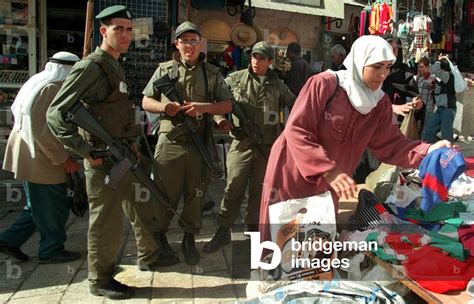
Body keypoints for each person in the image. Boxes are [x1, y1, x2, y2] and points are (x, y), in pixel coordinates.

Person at [259, 35, 454, 243]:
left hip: (331, 183)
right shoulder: (324, 85)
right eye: (377, 66)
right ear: (359, 62)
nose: (383, 74)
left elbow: (392, 145)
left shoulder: (379, 104)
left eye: (388, 67)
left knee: (314, 240)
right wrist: (327, 170)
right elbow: (297, 129)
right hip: (293, 173)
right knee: (283, 233)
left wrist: (429, 151)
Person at [47, 6, 167, 300]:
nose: (126, 35)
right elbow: (56, 113)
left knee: (141, 205)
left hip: (123, 155)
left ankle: (149, 255)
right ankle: (100, 279)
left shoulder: (115, 64)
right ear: (103, 31)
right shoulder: (91, 67)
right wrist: (84, 149)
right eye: (118, 29)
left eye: (129, 29)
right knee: (106, 221)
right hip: (103, 161)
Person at [142, 21, 232, 266]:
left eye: (194, 40)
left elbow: (227, 105)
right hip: (169, 143)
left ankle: (189, 239)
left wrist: (205, 108)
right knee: (164, 194)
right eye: (184, 41)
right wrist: (165, 107)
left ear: (200, 43)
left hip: (199, 143)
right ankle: (159, 239)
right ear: (177, 44)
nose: (189, 45)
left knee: (196, 195)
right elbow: (146, 101)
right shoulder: (164, 70)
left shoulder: (212, 73)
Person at [203, 42, 295, 253]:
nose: (256, 62)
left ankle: (253, 228)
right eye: (254, 57)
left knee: (260, 190)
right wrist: (219, 118)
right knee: (233, 186)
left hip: (266, 147)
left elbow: (296, 104)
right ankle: (223, 229)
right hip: (241, 142)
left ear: (270, 62)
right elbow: (217, 100)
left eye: (262, 58)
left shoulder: (278, 85)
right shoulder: (235, 79)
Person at [0, 52, 82, 264]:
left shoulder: (39, 81)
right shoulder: (52, 88)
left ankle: (9, 240)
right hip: (40, 156)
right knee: (53, 206)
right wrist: (64, 158)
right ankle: (51, 249)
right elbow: (41, 130)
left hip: (31, 151)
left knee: (37, 205)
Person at [422, 55, 456, 143]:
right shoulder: (442, 79)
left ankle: (449, 155)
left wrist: (439, 60)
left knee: (447, 136)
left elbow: (435, 70)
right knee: (429, 132)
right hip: (441, 109)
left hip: (447, 109)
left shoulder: (448, 75)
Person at [416, 56, 436, 139]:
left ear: (427, 67)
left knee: (426, 128)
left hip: (428, 107)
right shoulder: (419, 77)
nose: (420, 69)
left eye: (421, 67)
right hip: (419, 107)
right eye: (419, 67)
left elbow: (435, 92)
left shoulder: (432, 78)